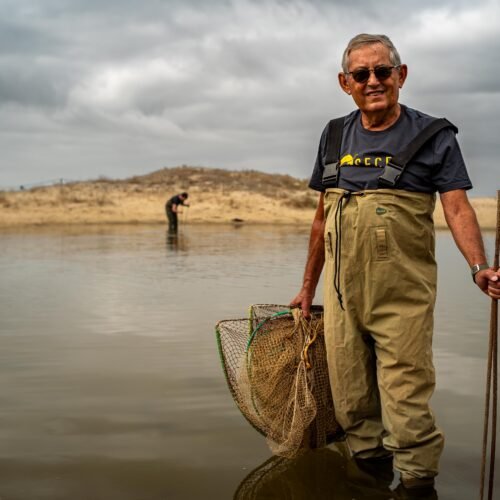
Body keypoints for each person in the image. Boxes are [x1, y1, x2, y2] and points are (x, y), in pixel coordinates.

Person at [290, 33, 500, 495]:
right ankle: (369, 477)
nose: (373, 81)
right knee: (351, 402)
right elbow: (322, 217)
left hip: (402, 296)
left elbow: (458, 207)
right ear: (345, 83)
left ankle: (418, 484)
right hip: (341, 298)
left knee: (406, 401)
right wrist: (308, 287)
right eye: (361, 74)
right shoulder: (333, 134)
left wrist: (477, 267)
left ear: (401, 76)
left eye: (382, 71)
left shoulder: (434, 135)